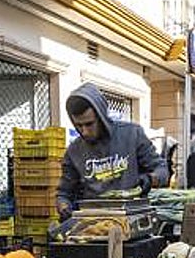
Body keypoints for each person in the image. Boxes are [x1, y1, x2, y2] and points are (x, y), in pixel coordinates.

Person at [56, 84, 168, 218]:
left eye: (89, 124)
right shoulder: (73, 151)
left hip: (131, 216)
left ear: (101, 117)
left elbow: (162, 170)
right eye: (79, 125)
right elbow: (64, 193)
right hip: (94, 222)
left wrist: (150, 179)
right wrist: (64, 206)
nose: (84, 131)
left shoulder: (132, 134)